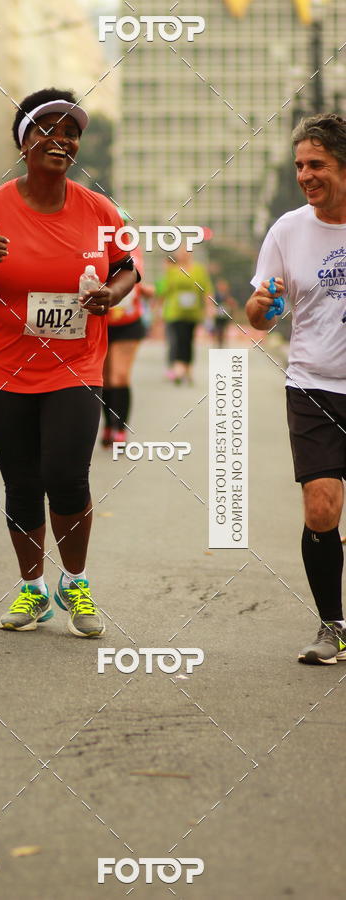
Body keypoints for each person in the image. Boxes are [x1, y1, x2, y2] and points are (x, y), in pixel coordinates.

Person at [0, 88, 138, 637]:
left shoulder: (98, 208)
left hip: (75, 365)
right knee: (23, 482)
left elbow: (128, 266)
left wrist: (112, 294)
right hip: (1, 369)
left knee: (67, 476)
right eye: (49, 128)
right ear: (24, 140)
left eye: (72, 131)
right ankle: (32, 589)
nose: (63, 139)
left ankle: (74, 579)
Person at [247, 113, 346, 664]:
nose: (306, 175)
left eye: (318, 165)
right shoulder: (288, 230)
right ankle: (332, 625)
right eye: (300, 166)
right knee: (321, 509)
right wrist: (261, 307)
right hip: (313, 385)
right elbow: (261, 316)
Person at [101, 243, 154, 446]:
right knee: (104, 379)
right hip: (101, 322)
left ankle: (121, 428)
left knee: (119, 376)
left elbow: (134, 279)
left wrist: (145, 289)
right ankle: (108, 425)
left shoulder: (133, 250)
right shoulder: (92, 246)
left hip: (128, 323)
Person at [158, 246, 212, 384]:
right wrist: (158, 309)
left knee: (188, 340)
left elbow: (206, 289)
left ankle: (187, 368)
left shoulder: (199, 270)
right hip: (175, 311)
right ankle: (178, 367)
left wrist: (209, 308)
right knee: (178, 339)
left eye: (185, 252)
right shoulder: (172, 270)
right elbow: (163, 290)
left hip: (193, 312)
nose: (183, 255)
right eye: (180, 252)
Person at [211, 277, 237, 348]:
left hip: (225, 315)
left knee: (223, 329)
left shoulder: (228, 295)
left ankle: (222, 343)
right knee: (217, 329)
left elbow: (232, 305)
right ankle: (217, 342)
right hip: (217, 315)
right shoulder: (215, 295)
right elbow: (211, 304)